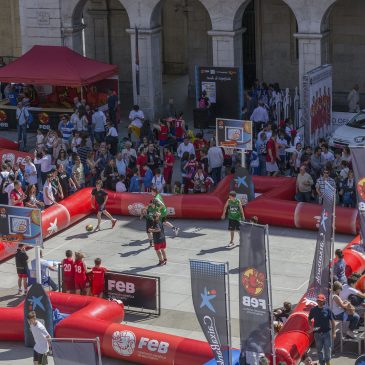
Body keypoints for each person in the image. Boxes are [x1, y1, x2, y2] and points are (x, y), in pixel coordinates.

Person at [308, 294, 335, 365]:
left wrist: (334, 332)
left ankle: (328, 362)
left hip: (326, 333)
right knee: (319, 350)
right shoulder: (313, 310)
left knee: (327, 349)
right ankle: (321, 363)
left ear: (324, 301)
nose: (319, 302)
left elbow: (332, 321)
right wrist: (312, 328)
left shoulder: (328, 309)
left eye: (321, 301)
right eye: (318, 300)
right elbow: (309, 319)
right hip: (317, 334)